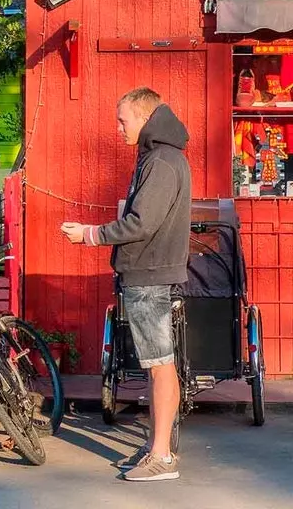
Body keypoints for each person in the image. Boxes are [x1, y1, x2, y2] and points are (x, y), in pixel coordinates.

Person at [62, 87, 190, 482]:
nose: (119, 128)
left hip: (149, 277)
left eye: (123, 120)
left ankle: (162, 456)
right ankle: (158, 447)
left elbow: (140, 223)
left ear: (144, 116)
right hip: (149, 274)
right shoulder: (161, 156)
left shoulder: (161, 160)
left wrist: (90, 234)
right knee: (159, 365)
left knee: (159, 367)